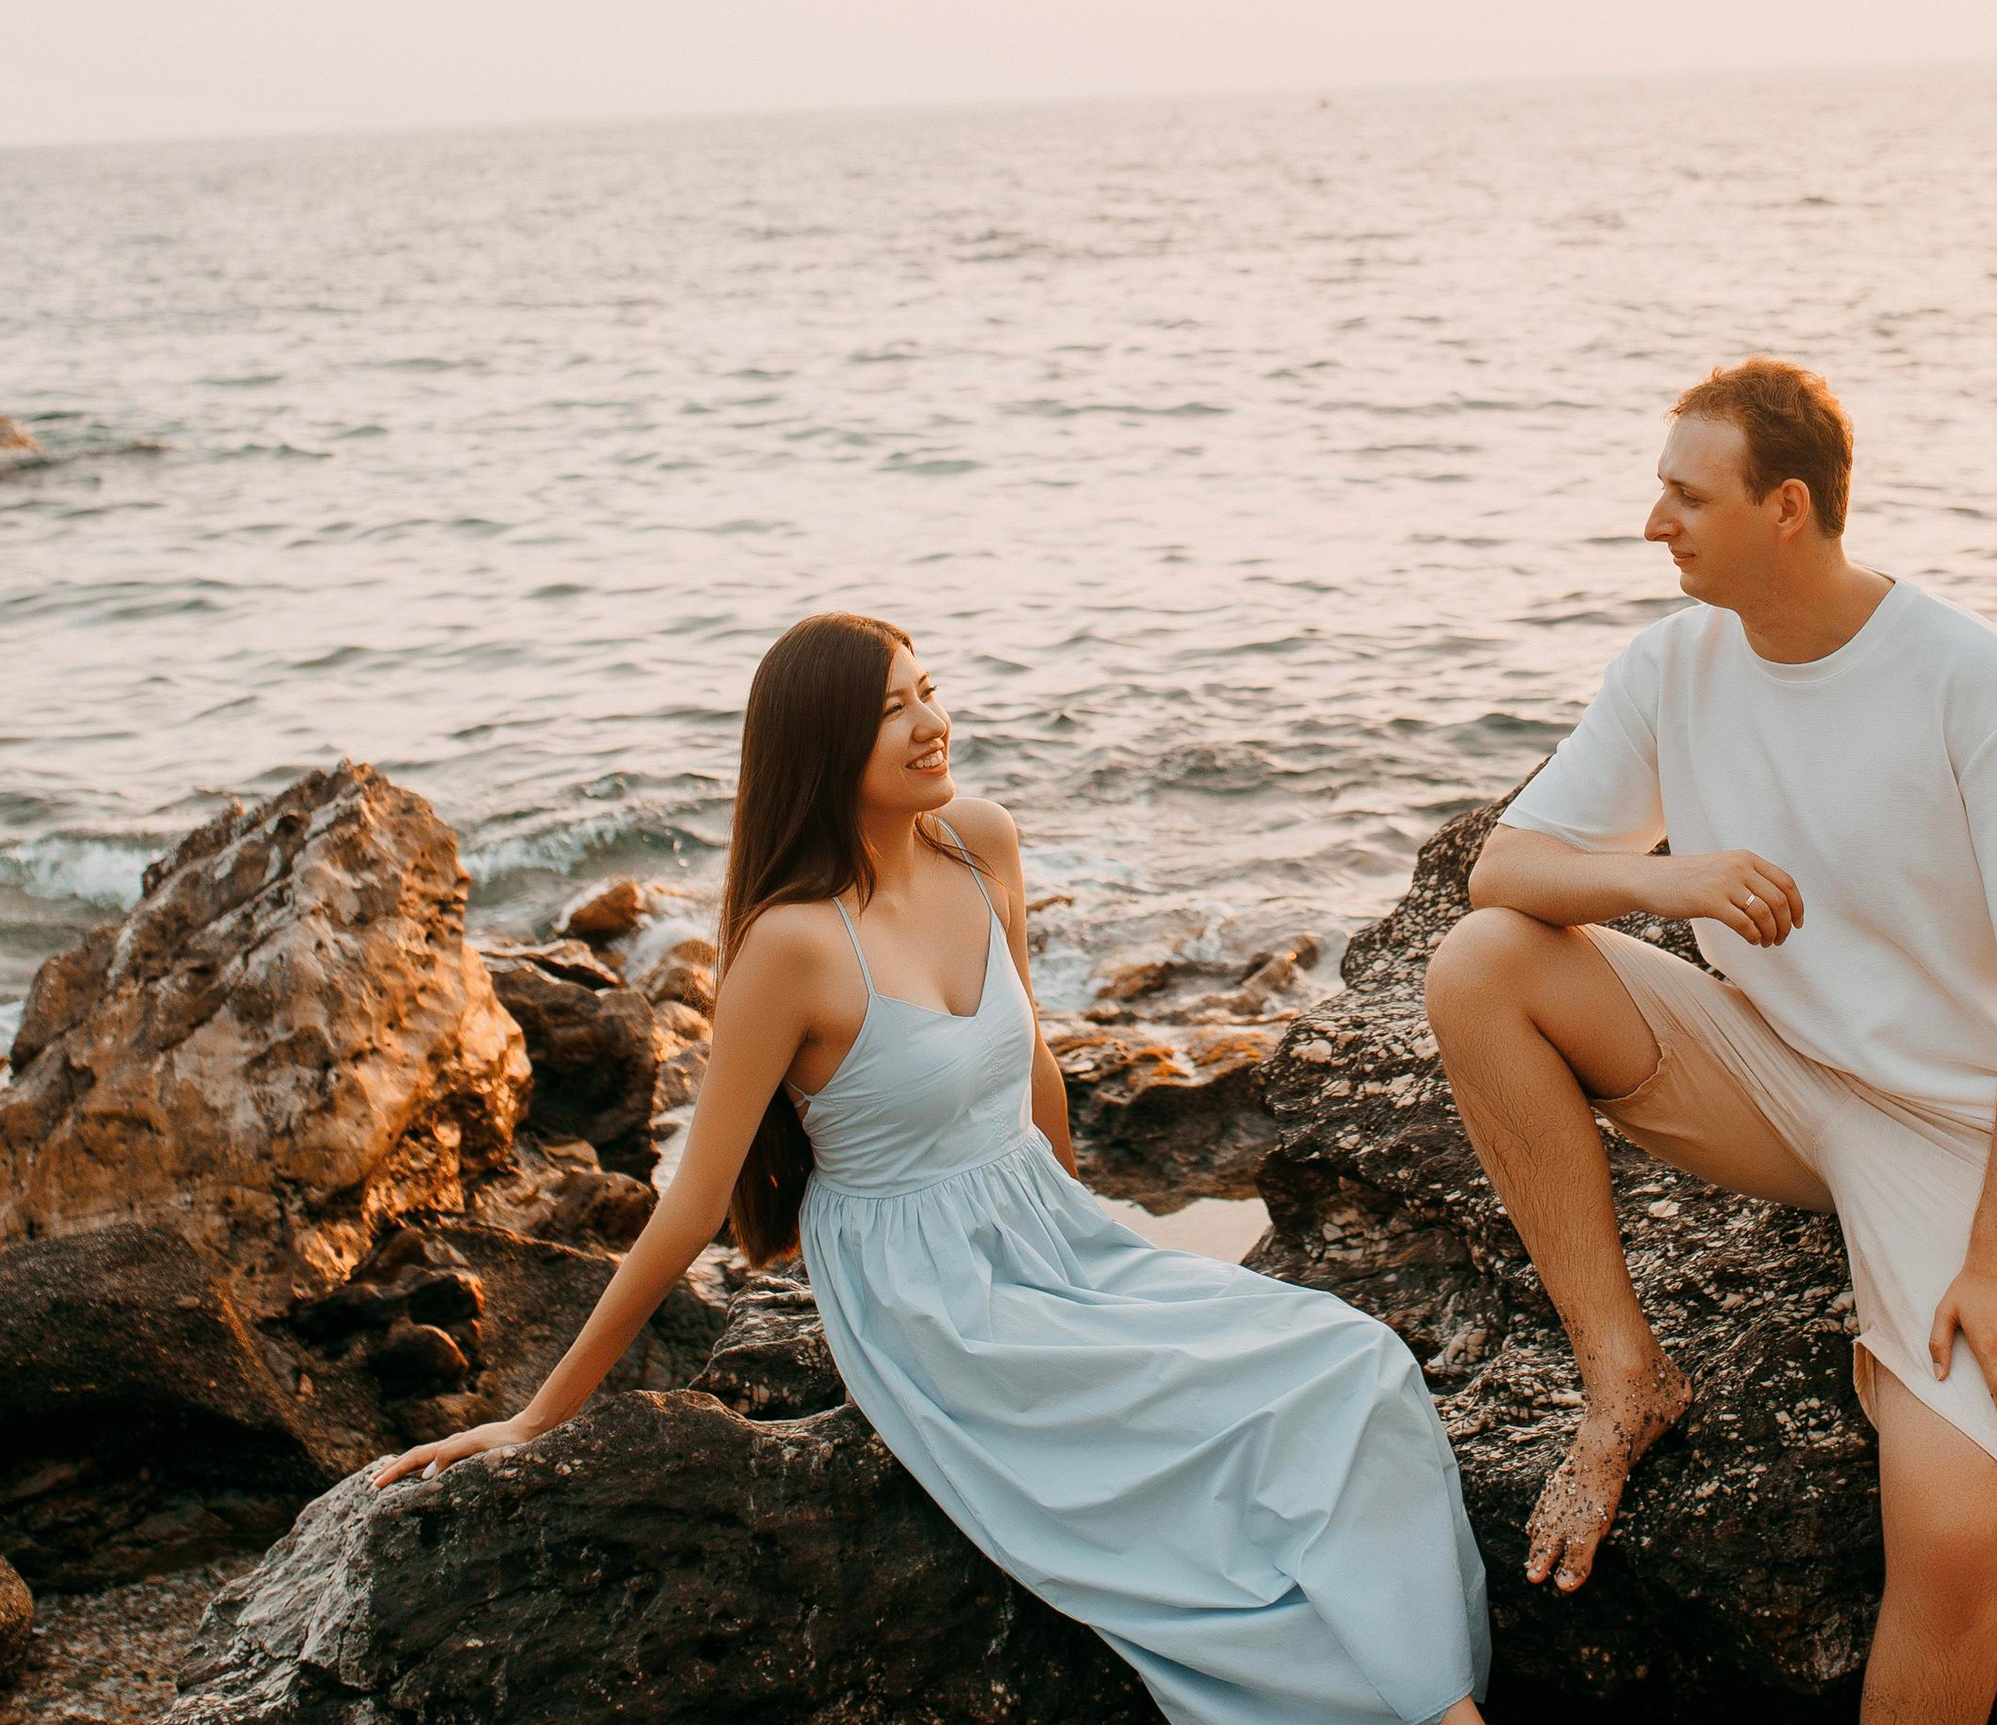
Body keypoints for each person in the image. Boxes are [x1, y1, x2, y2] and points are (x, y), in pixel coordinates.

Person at [376, 610, 1490, 1725]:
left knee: (1353, 1363)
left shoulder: (979, 842)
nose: (929, 725)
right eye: (888, 712)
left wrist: (1095, 1236)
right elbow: (692, 1208)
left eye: (928, 690)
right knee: (1198, 1489)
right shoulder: (791, 944)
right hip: (926, 1294)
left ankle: (1438, 1698)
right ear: (819, 750)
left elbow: (1036, 1058)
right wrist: (535, 1417)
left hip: (1043, 1224)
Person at [1422, 360, 1997, 1725]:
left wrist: (1995, 1258)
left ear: (1786, 507)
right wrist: (1667, 879)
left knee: (1953, 1535)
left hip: (1963, 1135)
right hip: (1773, 1071)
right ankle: (1626, 1376)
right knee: (1480, 967)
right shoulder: (1673, 664)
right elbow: (1505, 867)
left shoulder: (1968, 679)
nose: (1653, 522)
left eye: (1686, 495)